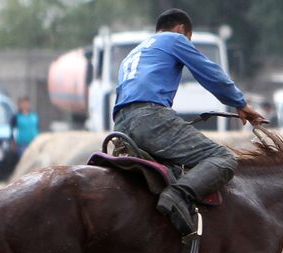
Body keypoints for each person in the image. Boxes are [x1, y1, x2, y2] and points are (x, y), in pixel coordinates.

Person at [113, 8, 263, 235]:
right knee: (222, 159)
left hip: (120, 126)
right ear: (181, 29)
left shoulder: (132, 54)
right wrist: (239, 103)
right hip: (149, 118)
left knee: (171, 170)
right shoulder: (174, 39)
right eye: (189, 39)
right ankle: (178, 196)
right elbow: (209, 72)